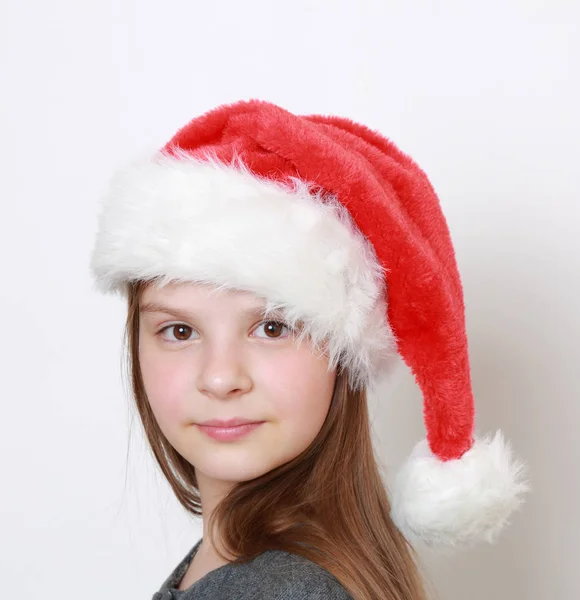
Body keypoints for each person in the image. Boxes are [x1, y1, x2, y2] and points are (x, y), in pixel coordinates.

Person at [89, 99, 529, 599]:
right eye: (179, 332)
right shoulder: (252, 562)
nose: (219, 377)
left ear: (341, 354)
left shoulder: (270, 589)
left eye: (273, 328)